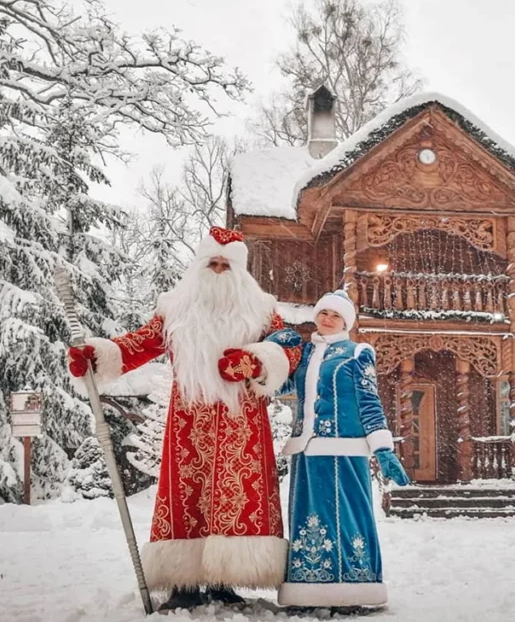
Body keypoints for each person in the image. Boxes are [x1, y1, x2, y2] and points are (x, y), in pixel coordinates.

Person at [67, 226, 302, 611]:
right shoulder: (175, 308)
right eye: (213, 262)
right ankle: (185, 582)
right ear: (199, 264)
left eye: (228, 264)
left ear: (241, 271)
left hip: (240, 419)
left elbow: (288, 348)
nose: (220, 269)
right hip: (188, 419)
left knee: (236, 493)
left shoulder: (261, 309)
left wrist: (255, 360)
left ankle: (226, 579)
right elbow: (139, 344)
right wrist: (98, 357)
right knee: (186, 494)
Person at [277, 290, 410, 610]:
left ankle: (355, 587)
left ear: (345, 321)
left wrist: (382, 448)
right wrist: (275, 349)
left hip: (346, 450)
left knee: (348, 516)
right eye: (323, 313)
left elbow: (369, 401)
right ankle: (309, 586)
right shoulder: (305, 354)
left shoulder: (357, 352)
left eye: (336, 315)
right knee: (311, 517)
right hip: (308, 452)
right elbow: (279, 386)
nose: (328, 319)